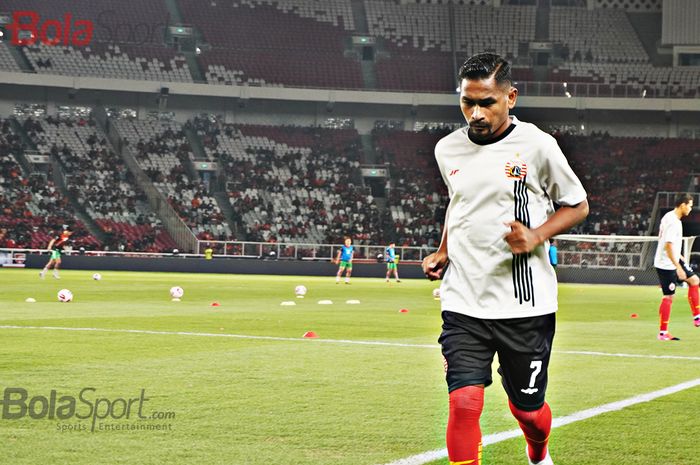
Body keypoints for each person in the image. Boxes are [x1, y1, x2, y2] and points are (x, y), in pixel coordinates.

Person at [422, 53, 589, 465]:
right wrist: (444, 250)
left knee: (528, 412)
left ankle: (538, 452)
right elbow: (458, 204)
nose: (475, 113)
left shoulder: (537, 145)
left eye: (487, 102)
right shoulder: (448, 149)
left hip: (524, 305)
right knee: (463, 403)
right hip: (463, 299)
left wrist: (535, 235)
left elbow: (577, 204)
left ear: (510, 97)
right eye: (467, 102)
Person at [653, 193, 700, 341]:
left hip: (672, 259)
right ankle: (662, 333)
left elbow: (666, 242)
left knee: (694, 280)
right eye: (690, 206)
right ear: (682, 205)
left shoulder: (668, 216)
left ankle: (697, 317)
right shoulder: (674, 222)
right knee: (669, 296)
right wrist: (677, 266)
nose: (690, 209)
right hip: (666, 264)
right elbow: (667, 245)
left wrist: (680, 258)